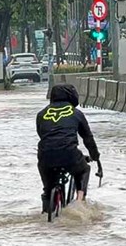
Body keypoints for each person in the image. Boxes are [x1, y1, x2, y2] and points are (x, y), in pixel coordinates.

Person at [36, 83, 100, 212]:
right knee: (83, 170)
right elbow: (88, 138)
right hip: (70, 154)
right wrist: (95, 156)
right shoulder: (77, 113)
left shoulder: (41, 114)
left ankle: (47, 210)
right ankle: (80, 200)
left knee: (48, 189)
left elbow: (42, 135)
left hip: (45, 157)